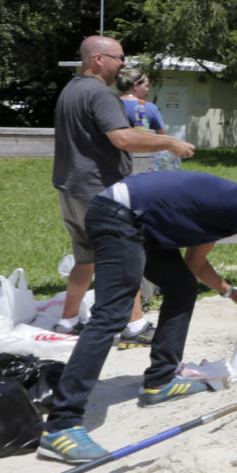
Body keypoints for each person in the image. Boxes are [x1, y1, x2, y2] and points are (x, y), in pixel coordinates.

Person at [37, 174, 237, 463]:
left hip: (140, 223)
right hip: (120, 214)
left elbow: (195, 262)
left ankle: (160, 381)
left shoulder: (227, 208)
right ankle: (61, 426)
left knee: (181, 287)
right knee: (111, 314)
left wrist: (227, 291)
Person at [52, 36, 195, 343]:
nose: (124, 64)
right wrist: (170, 143)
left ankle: (67, 321)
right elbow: (124, 139)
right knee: (125, 257)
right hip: (99, 192)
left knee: (85, 258)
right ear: (98, 59)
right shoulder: (100, 95)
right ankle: (134, 326)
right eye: (119, 57)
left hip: (70, 189)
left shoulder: (70, 89)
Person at [116, 67, 167, 134]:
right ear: (136, 86)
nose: (147, 89)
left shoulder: (110, 103)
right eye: (146, 86)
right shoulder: (149, 108)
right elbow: (162, 135)